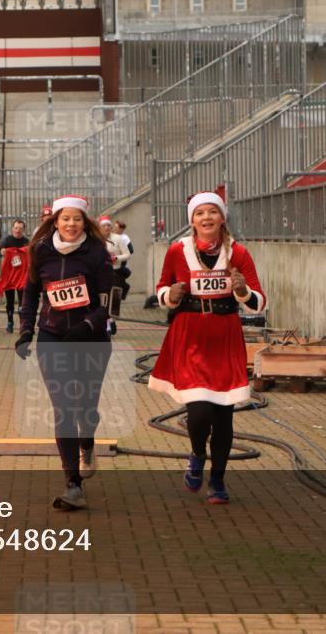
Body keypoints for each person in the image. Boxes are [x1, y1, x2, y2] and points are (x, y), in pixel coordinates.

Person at [149, 192, 266, 504]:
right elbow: (161, 287)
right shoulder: (177, 251)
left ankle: (218, 480)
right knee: (199, 412)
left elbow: (259, 300)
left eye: (212, 212)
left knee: (224, 415)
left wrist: (243, 291)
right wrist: (169, 295)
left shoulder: (238, 253)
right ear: (192, 220)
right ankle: (198, 454)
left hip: (224, 335)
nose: (206, 218)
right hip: (189, 335)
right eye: (199, 213)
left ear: (222, 217)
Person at [16, 195, 114, 510]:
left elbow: (109, 302)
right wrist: (26, 331)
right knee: (64, 408)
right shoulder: (40, 251)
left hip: (91, 339)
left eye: (77, 219)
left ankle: (88, 441)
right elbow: (31, 293)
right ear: (55, 221)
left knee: (86, 407)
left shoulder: (97, 253)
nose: (71, 224)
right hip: (53, 337)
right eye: (65, 218)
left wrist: (87, 325)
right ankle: (73, 483)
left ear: (85, 222)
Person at [0, 219, 29, 333]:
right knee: (10, 302)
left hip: (22, 277)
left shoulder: (26, 242)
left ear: (24, 230)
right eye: (16, 228)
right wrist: (1, 252)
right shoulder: (7, 240)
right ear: (12, 229)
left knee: (22, 303)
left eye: (20, 228)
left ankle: (22, 325)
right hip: (9, 276)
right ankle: (10, 322)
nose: (18, 230)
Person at [98, 215, 131, 332]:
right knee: (102, 296)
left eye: (108, 225)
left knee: (115, 296)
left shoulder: (118, 239)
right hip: (100, 272)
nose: (107, 228)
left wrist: (116, 258)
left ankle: (113, 321)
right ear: (99, 227)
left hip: (115, 271)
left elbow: (127, 254)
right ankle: (104, 321)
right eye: (104, 226)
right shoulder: (96, 239)